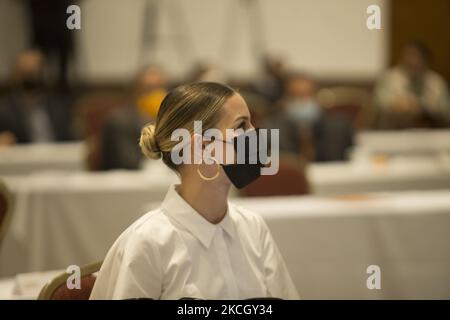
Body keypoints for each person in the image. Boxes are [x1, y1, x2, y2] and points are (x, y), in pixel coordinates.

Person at [90, 82, 299, 300]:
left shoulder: (253, 227)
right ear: (202, 147)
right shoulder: (147, 242)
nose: (255, 134)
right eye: (241, 126)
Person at [99, 66, 168, 170]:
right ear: (136, 92)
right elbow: (128, 162)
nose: (157, 95)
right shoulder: (119, 121)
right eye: (150, 89)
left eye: (161, 88)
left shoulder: (169, 120)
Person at [0, 50, 74, 144]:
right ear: (16, 74)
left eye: (34, 71)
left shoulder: (60, 107)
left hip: (58, 156)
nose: (30, 77)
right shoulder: (4, 110)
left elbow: (72, 138)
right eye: (25, 72)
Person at [374, 41, 450, 129]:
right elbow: (380, 105)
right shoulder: (389, 78)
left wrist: (423, 109)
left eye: (417, 57)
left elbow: (445, 112)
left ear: (426, 61)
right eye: (409, 56)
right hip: (393, 131)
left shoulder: (436, 82)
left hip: (430, 132)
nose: (413, 61)